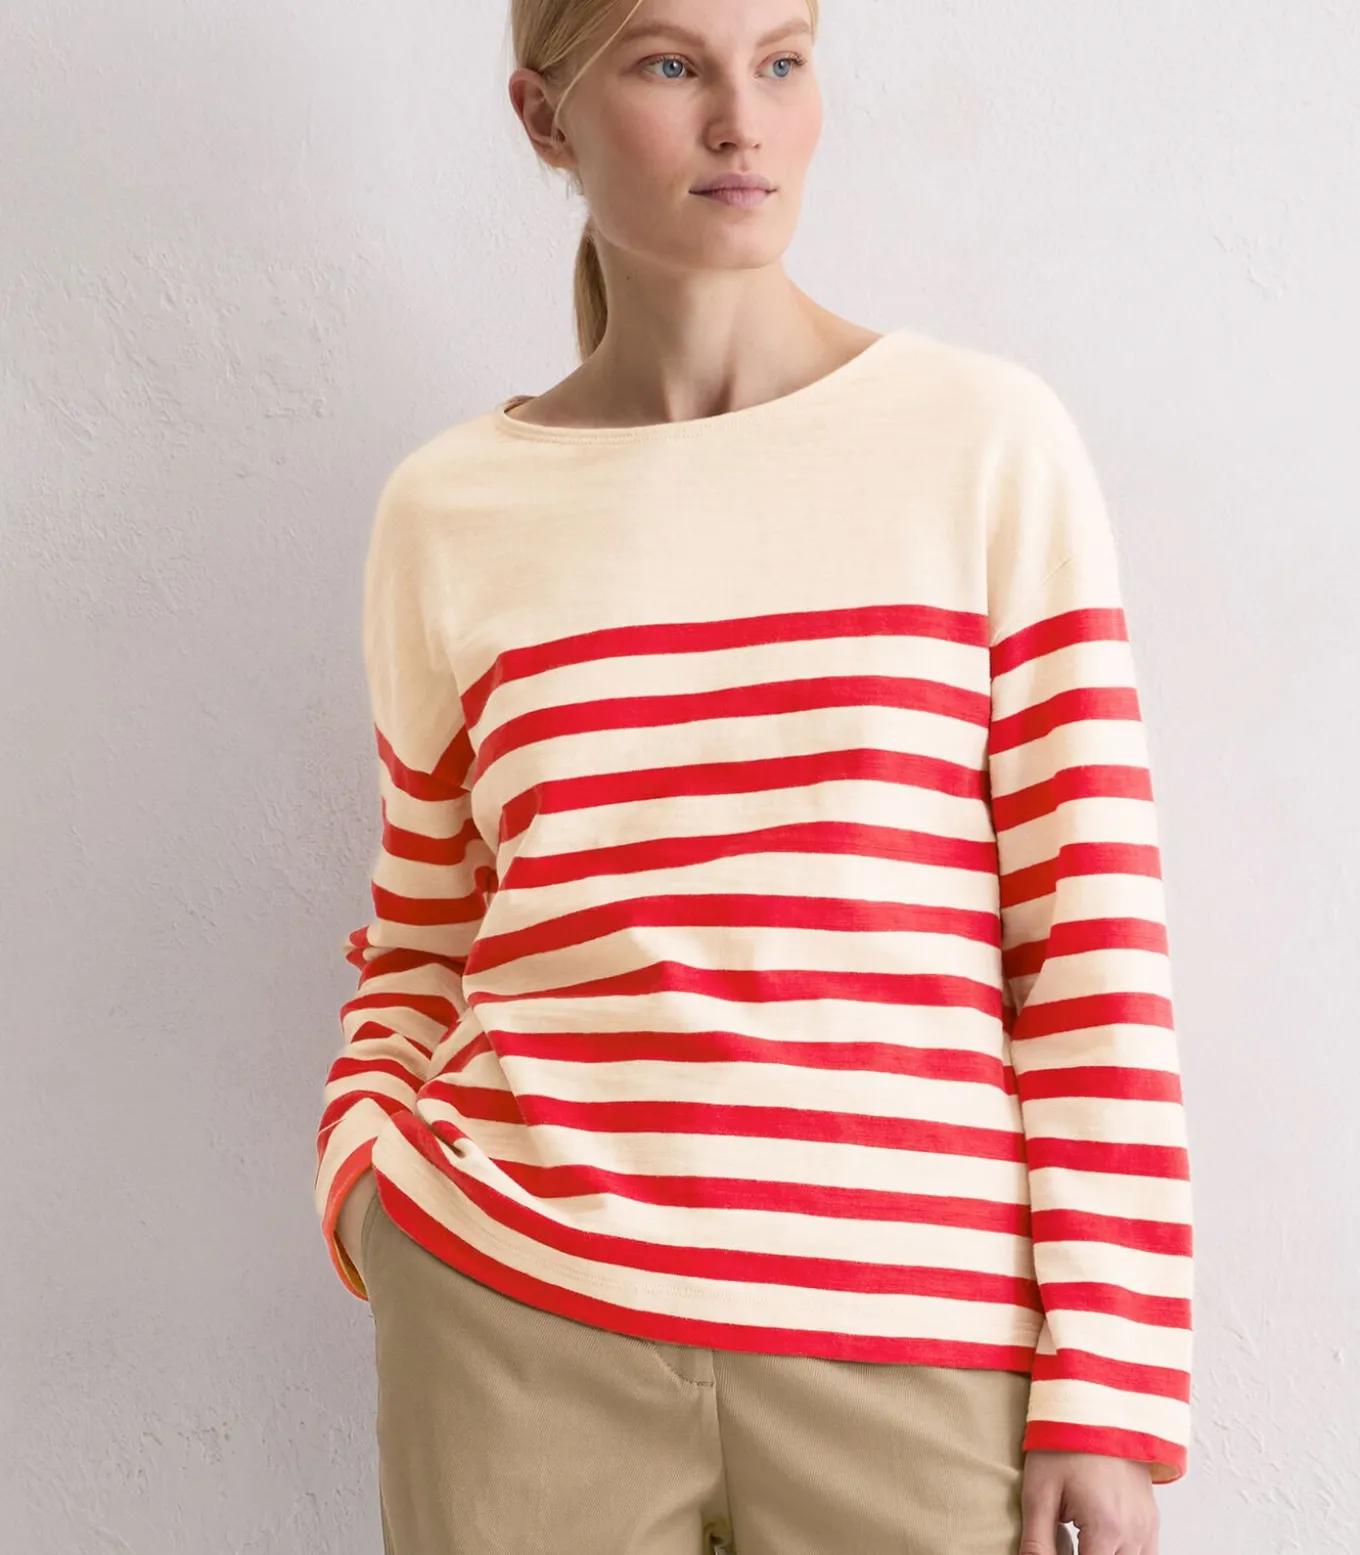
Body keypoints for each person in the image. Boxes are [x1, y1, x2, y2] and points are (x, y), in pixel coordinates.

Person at [313, 1, 1194, 1551]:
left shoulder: (983, 444)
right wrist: (375, 1195)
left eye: (782, 59)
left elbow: (1087, 938)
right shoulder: (449, 509)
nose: (744, 120)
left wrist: (1108, 1384)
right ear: (543, 117)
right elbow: (422, 928)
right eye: (672, 64)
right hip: (516, 1307)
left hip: (918, 1337)